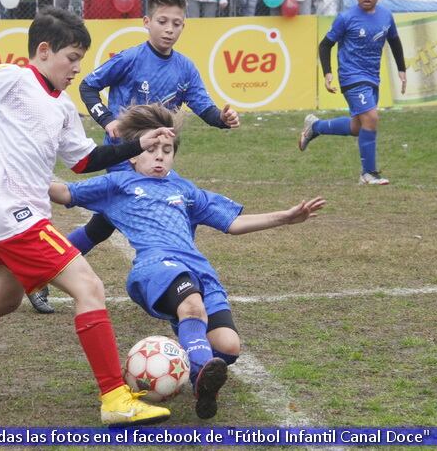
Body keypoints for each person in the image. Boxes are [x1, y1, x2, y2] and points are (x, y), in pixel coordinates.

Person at [0, 8, 172, 427]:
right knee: (89, 287)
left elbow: (83, 160)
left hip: (24, 212)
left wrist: (138, 143)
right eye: (72, 57)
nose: (78, 68)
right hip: (13, 213)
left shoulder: (62, 106)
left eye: (82, 59)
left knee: (3, 300)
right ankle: (115, 398)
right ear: (43, 51)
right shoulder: (12, 79)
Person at [49, 104, 326, 419]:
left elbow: (233, 224)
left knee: (229, 346)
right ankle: (199, 370)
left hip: (198, 271)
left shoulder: (185, 190)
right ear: (132, 154)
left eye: (167, 150)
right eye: (152, 149)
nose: (159, 156)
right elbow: (64, 192)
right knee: (192, 306)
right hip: (155, 268)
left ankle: (191, 367)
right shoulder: (118, 186)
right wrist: (17, 180)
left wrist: (285, 218)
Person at [29, 0, 240, 313]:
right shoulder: (130, 58)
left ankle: (39, 274)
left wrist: (223, 119)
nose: (169, 29)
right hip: (125, 161)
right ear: (146, 22)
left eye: (177, 24)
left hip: (157, 161)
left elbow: (204, 107)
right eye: (162, 21)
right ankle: (177, 289)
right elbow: (88, 86)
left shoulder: (185, 68)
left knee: (105, 226)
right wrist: (108, 120)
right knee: (157, 215)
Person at [298, 0, 406, 185]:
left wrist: (401, 68)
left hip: (372, 78)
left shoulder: (386, 16)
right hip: (351, 77)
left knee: (359, 127)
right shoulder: (346, 17)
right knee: (372, 118)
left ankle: (315, 126)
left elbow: (394, 41)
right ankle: (368, 173)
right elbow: (325, 45)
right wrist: (328, 73)